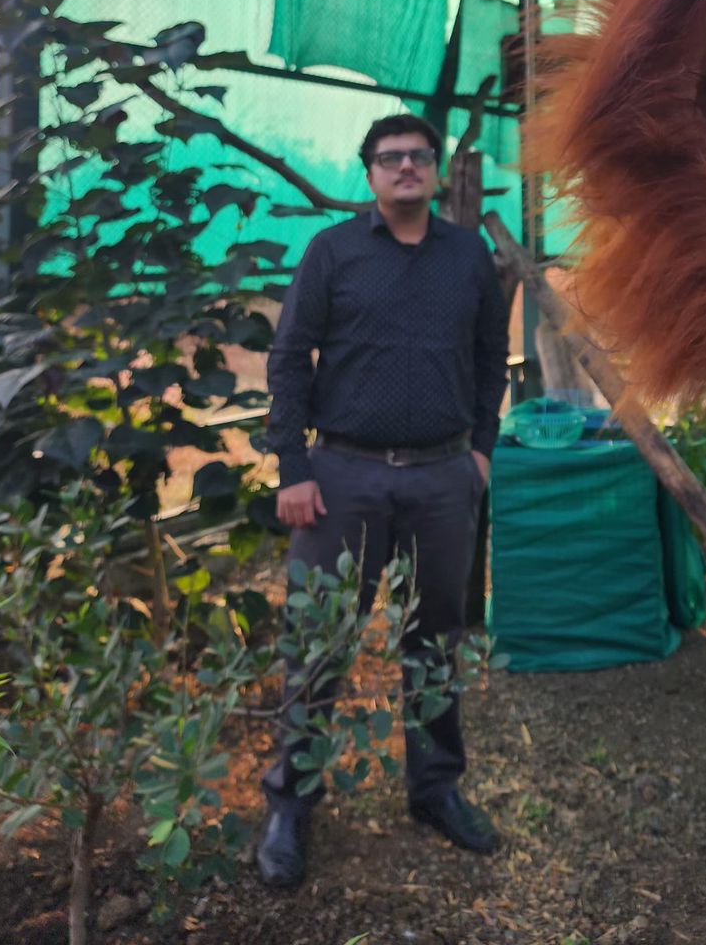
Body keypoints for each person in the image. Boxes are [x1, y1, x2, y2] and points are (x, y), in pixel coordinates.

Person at [256, 113, 509, 888]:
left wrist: (480, 453)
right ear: (368, 174)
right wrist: (293, 466)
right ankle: (291, 807)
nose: (406, 167)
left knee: (434, 639)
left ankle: (435, 791)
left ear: (434, 172)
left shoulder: (468, 256)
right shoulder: (333, 252)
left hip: (440, 477)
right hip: (343, 475)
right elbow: (290, 357)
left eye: (419, 157)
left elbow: (489, 357)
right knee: (320, 639)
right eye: (390, 158)